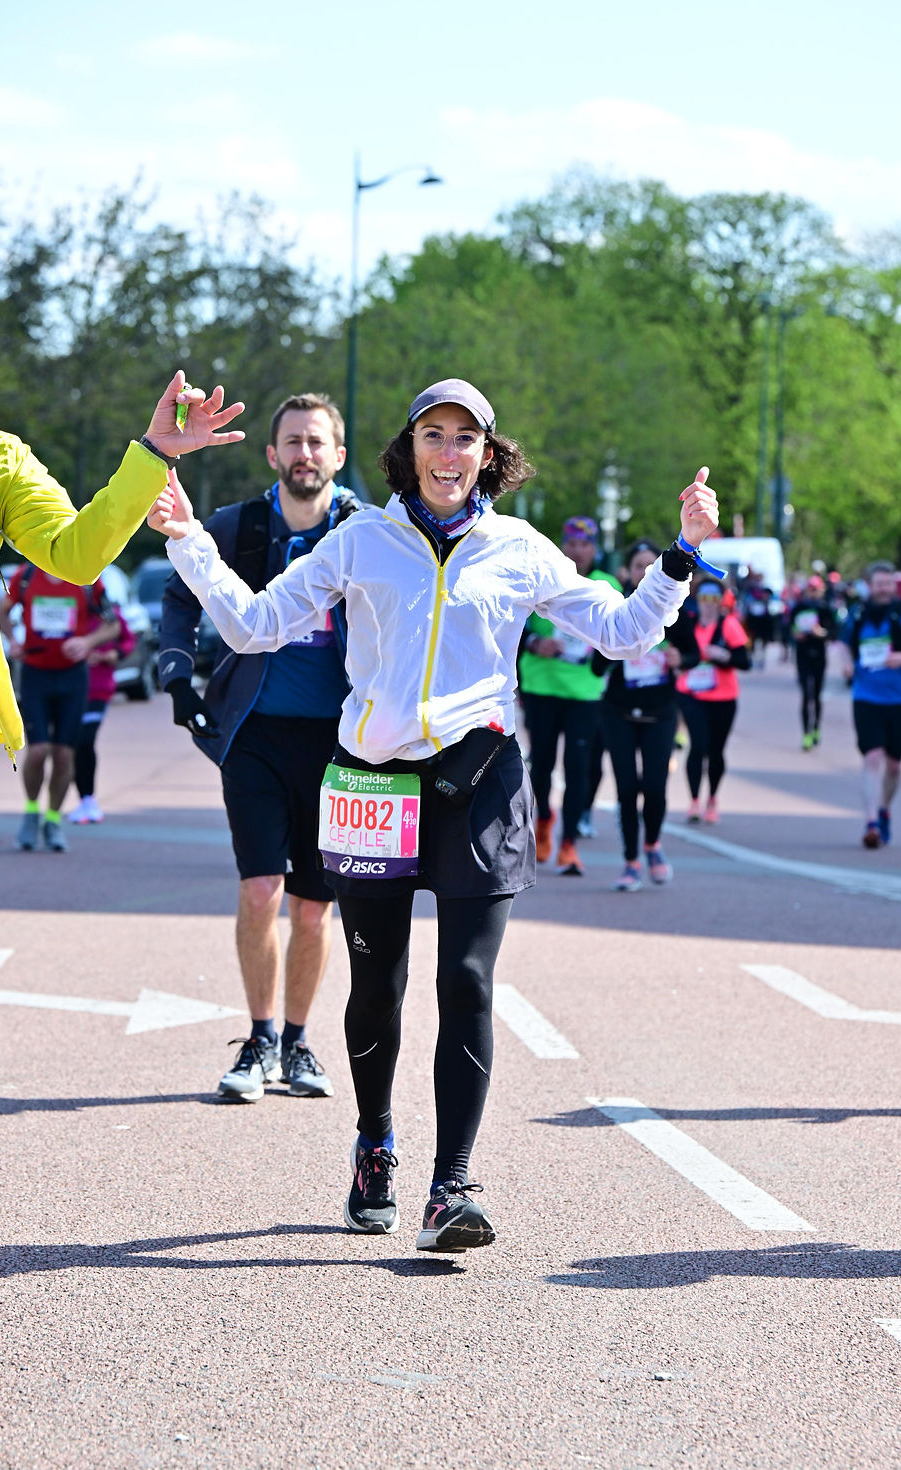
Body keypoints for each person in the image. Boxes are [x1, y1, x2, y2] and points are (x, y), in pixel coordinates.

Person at [148, 376, 719, 1253]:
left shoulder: (519, 549)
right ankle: (375, 1144)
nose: (448, 454)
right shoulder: (360, 539)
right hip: (375, 780)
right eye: (432, 435)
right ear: (407, 450)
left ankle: (450, 1186)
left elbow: (623, 631)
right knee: (377, 988)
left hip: (479, 780)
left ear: (489, 455)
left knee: (470, 981)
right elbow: (256, 625)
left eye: (465, 439)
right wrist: (186, 537)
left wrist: (682, 555)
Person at [158, 392, 361, 1104]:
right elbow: (183, 591)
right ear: (272, 455)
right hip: (254, 735)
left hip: (343, 745)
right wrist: (179, 672)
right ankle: (260, 1038)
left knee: (313, 906)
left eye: (317, 442)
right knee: (259, 889)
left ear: (339, 456)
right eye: (292, 443)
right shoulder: (237, 526)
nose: (305, 454)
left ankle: (300, 1044)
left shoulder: (366, 533)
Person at [0, 371, 245, 765]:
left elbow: (76, 555)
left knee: (63, 751)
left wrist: (155, 452)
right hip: (39, 671)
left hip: (68, 672)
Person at [593, 539, 700, 889]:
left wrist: (678, 660)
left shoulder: (676, 609)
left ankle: (652, 844)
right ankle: (630, 861)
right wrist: (618, 650)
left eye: (650, 565)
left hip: (660, 710)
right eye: (638, 565)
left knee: (654, 788)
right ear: (627, 571)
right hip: (618, 711)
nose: (643, 572)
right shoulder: (615, 607)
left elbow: (693, 654)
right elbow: (596, 666)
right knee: (627, 789)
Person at [517, 516, 620, 876]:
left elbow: (620, 636)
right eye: (572, 544)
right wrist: (535, 643)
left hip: (585, 693)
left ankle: (569, 842)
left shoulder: (606, 585)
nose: (578, 551)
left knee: (579, 767)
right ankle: (544, 819)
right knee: (541, 764)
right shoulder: (544, 578)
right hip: (542, 686)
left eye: (585, 545)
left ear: (595, 549)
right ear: (563, 546)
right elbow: (514, 627)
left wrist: (601, 656)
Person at [0, 567, 120, 850]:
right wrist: (13, 641)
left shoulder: (86, 577)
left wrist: (87, 642)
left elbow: (112, 624)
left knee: (65, 754)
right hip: (35, 674)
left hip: (73, 677)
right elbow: (2, 610)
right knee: (38, 750)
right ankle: (31, 812)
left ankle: (53, 819)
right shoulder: (25, 576)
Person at [839, 561, 901, 848]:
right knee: (872, 757)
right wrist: (845, 665)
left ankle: (884, 809)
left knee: (893, 765)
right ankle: (871, 823)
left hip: (900, 699)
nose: (884, 589)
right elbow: (842, 644)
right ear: (870, 584)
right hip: (866, 696)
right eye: (879, 583)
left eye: (888, 583)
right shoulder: (858, 614)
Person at [676, 579, 750, 823]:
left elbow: (744, 661)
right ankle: (694, 801)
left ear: (721, 602)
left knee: (716, 750)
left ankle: (712, 799)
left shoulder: (728, 625)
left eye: (714, 599)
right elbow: (678, 652)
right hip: (691, 694)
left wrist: (725, 656)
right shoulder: (688, 624)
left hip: (723, 697)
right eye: (704, 598)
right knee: (698, 745)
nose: (708, 604)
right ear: (697, 600)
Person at [67, 606, 136, 825]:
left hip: (99, 688)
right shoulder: (68, 606)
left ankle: (89, 800)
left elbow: (128, 640)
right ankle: (83, 800)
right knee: (71, 746)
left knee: (85, 740)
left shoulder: (109, 612)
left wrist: (113, 655)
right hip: (70, 689)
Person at [788, 573, 834, 749]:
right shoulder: (799, 608)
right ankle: (806, 733)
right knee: (806, 695)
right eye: (811, 589)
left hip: (819, 655)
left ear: (821, 590)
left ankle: (816, 728)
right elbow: (790, 627)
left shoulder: (825, 608)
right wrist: (796, 634)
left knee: (816, 695)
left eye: (816, 589)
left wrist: (821, 633)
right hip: (803, 655)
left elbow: (832, 631)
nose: (813, 593)